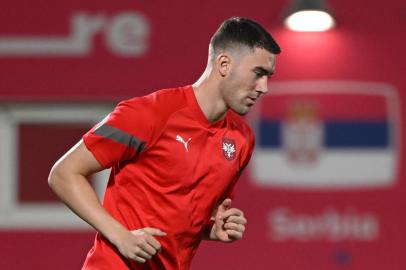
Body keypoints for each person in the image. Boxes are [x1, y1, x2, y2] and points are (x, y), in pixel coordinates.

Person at [48, 16, 281, 270]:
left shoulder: (241, 139)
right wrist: (120, 235)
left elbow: (184, 216)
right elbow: (63, 174)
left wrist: (213, 229)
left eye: (268, 76)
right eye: (258, 73)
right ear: (224, 64)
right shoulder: (149, 114)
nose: (264, 87)